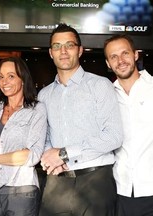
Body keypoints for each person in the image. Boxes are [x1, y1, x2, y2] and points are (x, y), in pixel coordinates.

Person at [37, 23, 123, 216]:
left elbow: (114, 136)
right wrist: (50, 158)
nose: (64, 51)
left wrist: (64, 154)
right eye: (57, 46)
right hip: (57, 180)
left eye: (69, 45)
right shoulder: (44, 95)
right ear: (51, 53)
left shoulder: (100, 86)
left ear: (80, 50)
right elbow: (45, 137)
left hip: (95, 179)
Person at [104, 34, 153, 216]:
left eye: (125, 53)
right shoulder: (105, 97)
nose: (120, 60)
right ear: (108, 63)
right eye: (113, 57)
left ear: (136, 55)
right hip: (118, 191)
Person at [0, 56, 47, 216]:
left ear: (23, 79)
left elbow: (33, 155)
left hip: (22, 191)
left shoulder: (36, 110)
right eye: (1, 77)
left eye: (11, 76)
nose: (4, 82)